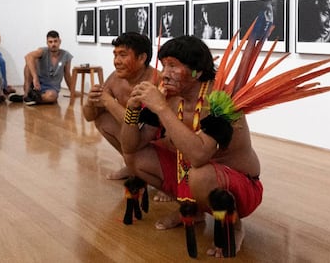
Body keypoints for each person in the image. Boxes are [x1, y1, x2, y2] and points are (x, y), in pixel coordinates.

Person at [120, 35, 263, 256]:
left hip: (240, 186)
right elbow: (130, 147)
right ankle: (193, 210)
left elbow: (199, 156)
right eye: (164, 65)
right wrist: (132, 109)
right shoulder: (168, 96)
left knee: (200, 173)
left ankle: (234, 226)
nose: (165, 73)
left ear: (196, 71)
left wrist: (161, 109)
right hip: (192, 175)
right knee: (135, 159)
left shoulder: (221, 99)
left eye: (173, 66)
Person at [82, 32, 159, 180]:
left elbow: (133, 123)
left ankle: (164, 178)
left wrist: (108, 101)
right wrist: (89, 102)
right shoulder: (115, 78)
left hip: (155, 138)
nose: (116, 61)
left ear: (142, 58)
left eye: (123, 55)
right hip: (133, 136)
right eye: (115, 55)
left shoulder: (155, 81)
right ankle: (131, 166)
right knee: (102, 119)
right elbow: (89, 117)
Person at [9, 30, 73, 105]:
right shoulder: (42, 51)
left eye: (55, 41)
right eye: (50, 42)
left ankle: (30, 98)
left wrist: (73, 92)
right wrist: (35, 77)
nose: (53, 44)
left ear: (60, 41)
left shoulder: (66, 55)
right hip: (38, 85)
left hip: (51, 89)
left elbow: (67, 75)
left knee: (52, 96)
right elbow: (28, 57)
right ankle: (27, 94)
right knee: (28, 65)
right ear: (47, 43)